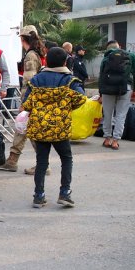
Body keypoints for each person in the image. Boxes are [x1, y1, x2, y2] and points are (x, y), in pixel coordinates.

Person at [21, 47, 87, 208]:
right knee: (66, 158)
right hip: (60, 128)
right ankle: (64, 193)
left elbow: (27, 104)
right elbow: (81, 99)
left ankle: (39, 195)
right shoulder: (70, 80)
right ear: (65, 62)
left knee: (41, 161)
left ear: (46, 61)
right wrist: (66, 105)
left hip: (40, 128)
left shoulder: (36, 80)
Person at [0, 25, 46, 173]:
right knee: (22, 129)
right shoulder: (38, 53)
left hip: (31, 99)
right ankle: (12, 161)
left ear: (23, 39)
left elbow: (29, 81)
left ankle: (43, 165)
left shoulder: (31, 55)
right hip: (36, 99)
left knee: (29, 131)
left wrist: (25, 103)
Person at [98, 40, 135, 150]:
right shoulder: (131, 56)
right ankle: (116, 141)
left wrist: (100, 92)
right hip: (125, 88)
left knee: (108, 114)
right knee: (121, 114)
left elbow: (101, 75)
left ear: (108, 48)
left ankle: (107, 139)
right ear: (120, 46)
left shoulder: (107, 56)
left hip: (108, 88)